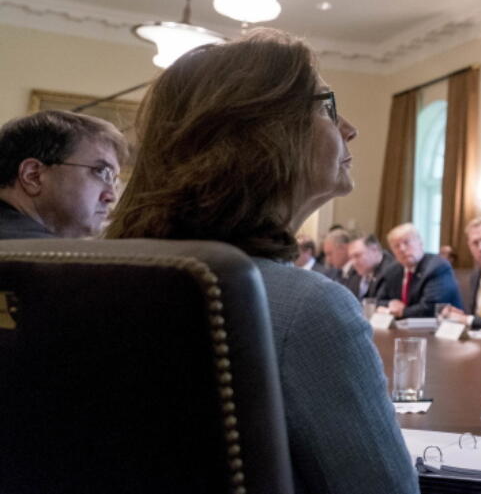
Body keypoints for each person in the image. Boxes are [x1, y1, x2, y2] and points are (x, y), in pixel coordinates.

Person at [105, 29, 417, 494]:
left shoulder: (109, 276)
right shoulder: (310, 309)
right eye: (328, 106)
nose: (349, 128)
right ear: (268, 132)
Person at [0, 110, 127, 239]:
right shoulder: (46, 254)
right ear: (33, 176)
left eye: (114, 180)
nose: (111, 197)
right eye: (101, 172)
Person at [377, 223, 462, 318]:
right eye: (396, 246)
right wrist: (391, 303)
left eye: (406, 242)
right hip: (402, 328)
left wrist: (402, 312)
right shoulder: (392, 270)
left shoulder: (437, 267)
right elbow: (378, 301)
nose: (402, 249)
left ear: (420, 242)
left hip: (437, 328)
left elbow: (431, 308)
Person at [344, 234, 394, 300]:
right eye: (351, 257)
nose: (353, 262)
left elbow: (379, 302)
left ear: (374, 250)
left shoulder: (391, 271)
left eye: (357, 256)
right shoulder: (353, 272)